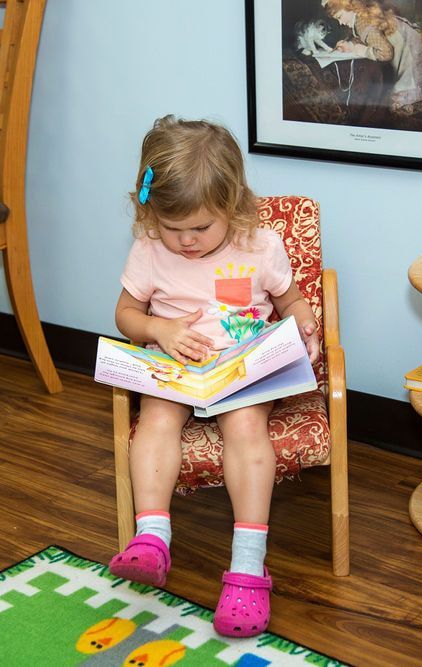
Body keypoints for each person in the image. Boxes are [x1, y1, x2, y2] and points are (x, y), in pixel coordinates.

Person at [108, 115, 320, 639]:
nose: (185, 242)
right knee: (156, 420)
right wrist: (158, 327)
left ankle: (248, 567)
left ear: (231, 205)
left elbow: (289, 300)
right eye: (171, 228)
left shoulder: (259, 247)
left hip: (241, 368)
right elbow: (125, 315)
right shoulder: (149, 248)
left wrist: (305, 324)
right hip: (175, 366)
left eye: (200, 228)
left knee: (245, 428)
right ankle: (152, 537)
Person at [322, 0, 422, 115]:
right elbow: (371, 38)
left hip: (412, 53)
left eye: (339, 17)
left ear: (351, 7)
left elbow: (386, 52)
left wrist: (358, 49)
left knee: (393, 103)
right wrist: (350, 43)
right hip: (411, 41)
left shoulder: (363, 24)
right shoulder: (362, 15)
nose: (340, 23)